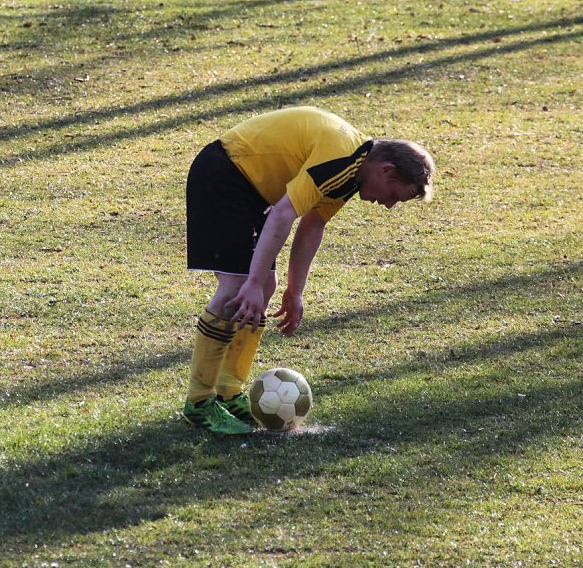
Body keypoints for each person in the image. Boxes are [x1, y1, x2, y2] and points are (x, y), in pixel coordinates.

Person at [181, 106, 436, 434]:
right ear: (386, 171)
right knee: (237, 287)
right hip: (224, 175)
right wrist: (254, 280)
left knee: (264, 287)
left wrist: (294, 291)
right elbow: (284, 214)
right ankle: (199, 403)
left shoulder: (352, 170)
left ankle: (228, 394)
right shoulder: (342, 160)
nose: (388, 205)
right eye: (395, 196)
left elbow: (312, 225)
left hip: (248, 190)